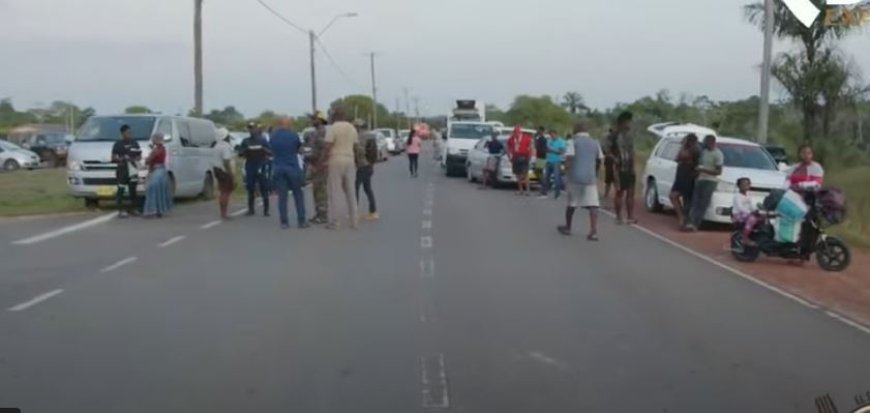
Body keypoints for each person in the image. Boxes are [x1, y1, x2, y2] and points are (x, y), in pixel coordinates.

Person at [558, 122, 604, 240]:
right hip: (590, 177)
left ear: (576, 130)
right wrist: (594, 172)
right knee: (593, 205)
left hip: (575, 176)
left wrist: (566, 172)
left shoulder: (572, 142)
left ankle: (568, 227)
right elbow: (599, 159)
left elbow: (569, 158)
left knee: (572, 202)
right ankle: (593, 232)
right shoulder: (595, 143)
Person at [321, 108, 359, 230]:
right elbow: (356, 146)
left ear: (334, 116)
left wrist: (322, 161)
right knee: (351, 191)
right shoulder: (352, 128)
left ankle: (335, 221)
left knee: (335, 191)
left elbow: (328, 145)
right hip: (349, 159)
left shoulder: (333, 128)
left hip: (336, 158)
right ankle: (354, 220)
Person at [270, 117, 309, 230]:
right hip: (292, 167)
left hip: (278, 167)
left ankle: (284, 222)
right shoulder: (293, 135)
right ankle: (301, 221)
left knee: (282, 196)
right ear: (288, 125)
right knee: (298, 194)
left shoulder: (274, 136)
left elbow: (272, 149)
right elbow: (299, 149)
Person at [685, 134, 724, 231]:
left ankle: (696, 224)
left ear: (712, 142)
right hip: (700, 179)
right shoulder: (704, 152)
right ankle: (690, 222)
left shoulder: (718, 154)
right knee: (695, 202)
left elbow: (718, 171)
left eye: (706, 142)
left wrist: (704, 170)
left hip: (709, 180)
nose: (705, 144)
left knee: (703, 203)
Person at [607, 111, 637, 224]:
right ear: (622, 122)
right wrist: (615, 159)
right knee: (619, 192)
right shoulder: (613, 136)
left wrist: (633, 165)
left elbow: (632, 152)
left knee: (631, 193)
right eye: (628, 121)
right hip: (619, 168)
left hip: (630, 168)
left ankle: (630, 216)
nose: (629, 124)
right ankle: (618, 216)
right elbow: (606, 150)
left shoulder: (630, 135)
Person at [668, 133, 701, 228]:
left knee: (683, 198)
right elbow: (677, 158)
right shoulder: (686, 148)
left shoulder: (695, 150)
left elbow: (683, 157)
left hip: (688, 176)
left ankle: (684, 218)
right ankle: (682, 217)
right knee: (674, 196)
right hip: (681, 175)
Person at [240, 122, 271, 216]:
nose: (252, 130)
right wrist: (246, 150)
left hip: (261, 165)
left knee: (264, 188)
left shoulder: (263, 140)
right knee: (250, 188)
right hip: (250, 166)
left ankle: (266, 211)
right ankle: (251, 209)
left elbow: (270, 152)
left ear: (257, 129)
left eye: (253, 128)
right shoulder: (246, 141)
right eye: (250, 128)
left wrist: (262, 149)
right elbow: (240, 153)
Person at [111, 124, 142, 218]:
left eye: (131, 132)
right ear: (123, 133)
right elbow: (113, 157)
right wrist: (122, 158)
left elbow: (139, 156)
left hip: (132, 168)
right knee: (121, 189)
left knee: (133, 189)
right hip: (122, 169)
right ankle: (121, 209)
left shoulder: (135, 143)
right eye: (128, 132)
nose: (130, 134)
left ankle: (134, 208)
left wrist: (135, 158)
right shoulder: (118, 144)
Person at [305, 112, 330, 224]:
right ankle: (319, 214)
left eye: (314, 119)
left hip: (320, 165)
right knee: (316, 190)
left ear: (320, 120)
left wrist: (319, 165)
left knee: (320, 190)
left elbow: (323, 150)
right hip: (315, 163)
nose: (312, 121)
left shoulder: (322, 133)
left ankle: (323, 215)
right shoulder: (315, 133)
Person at [353, 121, 380, 221]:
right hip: (369, 164)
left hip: (363, 165)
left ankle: (355, 211)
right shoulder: (371, 136)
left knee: (356, 187)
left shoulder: (360, 137)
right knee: (367, 188)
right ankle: (373, 211)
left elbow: (357, 151)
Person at [142, 133, 172, 218]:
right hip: (161, 171)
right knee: (159, 190)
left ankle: (152, 210)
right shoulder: (162, 149)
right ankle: (159, 210)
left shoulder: (156, 150)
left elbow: (149, 160)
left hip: (157, 171)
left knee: (152, 189)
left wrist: (147, 159)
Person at [213, 127, 236, 220]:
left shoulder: (216, 146)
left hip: (217, 169)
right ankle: (224, 213)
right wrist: (230, 173)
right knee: (226, 192)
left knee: (222, 191)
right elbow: (226, 161)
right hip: (224, 170)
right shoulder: (225, 146)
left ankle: (222, 212)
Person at [539, 129, 567, 199]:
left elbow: (562, 151)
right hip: (548, 161)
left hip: (557, 161)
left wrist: (552, 150)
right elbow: (546, 149)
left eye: (552, 135)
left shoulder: (561, 141)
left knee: (557, 178)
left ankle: (557, 193)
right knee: (545, 177)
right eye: (550, 135)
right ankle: (544, 193)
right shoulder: (549, 141)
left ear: (556, 134)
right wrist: (548, 150)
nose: (551, 136)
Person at [507, 125, 534, 196]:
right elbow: (508, 148)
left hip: (524, 156)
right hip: (515, 156)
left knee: (525, 174)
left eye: (517, 132)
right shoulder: (511, 139)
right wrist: (509, 157)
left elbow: (531, 148)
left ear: (520, 132)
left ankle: (528, 190)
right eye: (515, 132)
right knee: (517, 174)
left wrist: (529, 157)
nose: (516, 134)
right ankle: (520, 190)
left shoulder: (526, 138)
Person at [732, 177, 759, 246]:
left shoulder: (748, 195)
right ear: (739, 186)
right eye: (743, 184)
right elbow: (740, 207)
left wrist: (756, 210)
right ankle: (745, 238)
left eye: (748, 184)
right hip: (738, 215)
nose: (746, 186)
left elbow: (751, 205)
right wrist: (750, 212)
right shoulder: (737, 196)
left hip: (746, 214)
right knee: (752, 219)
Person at [602, 128, 615, 202]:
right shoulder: (608, 140)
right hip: (610, 161)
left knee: (609, 179)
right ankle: (606, 194)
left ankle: (606, 194)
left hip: (611, 161)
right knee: (609, 178)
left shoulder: (609, 139)